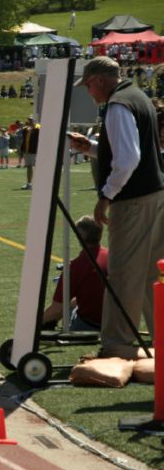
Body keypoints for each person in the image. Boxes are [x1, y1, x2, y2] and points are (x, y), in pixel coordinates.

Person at [69, 56, 164, 358]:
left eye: (88, 86)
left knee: (123, 274)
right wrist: (93, 149)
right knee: (153, 274)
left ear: (97, 80)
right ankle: (159, 338)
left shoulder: (117, 105)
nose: (89, 92)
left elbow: (128, 159)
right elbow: (132, 151)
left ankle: (118, 346)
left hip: (133, 200)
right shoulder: (139, 97)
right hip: (155, 196)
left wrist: (106, 195)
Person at [41, 215, 108, 332]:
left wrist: (39, 322)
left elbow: (57, 309)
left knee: (62, 307)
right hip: (116, 320)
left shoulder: (75, 267)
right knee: (70, 304)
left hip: (90, 324)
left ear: (80, 236)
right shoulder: (113, 256)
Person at [21, 117, 40, 190]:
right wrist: (22, 149)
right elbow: (24, 139)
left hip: (34, 151)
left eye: (31, 120)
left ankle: (38, 183)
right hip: (27, 151)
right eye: (29, 120)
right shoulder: (26, 129)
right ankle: (29, 184)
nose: (30, 122)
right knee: (29, 167)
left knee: (35, 167)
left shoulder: (38, 128)